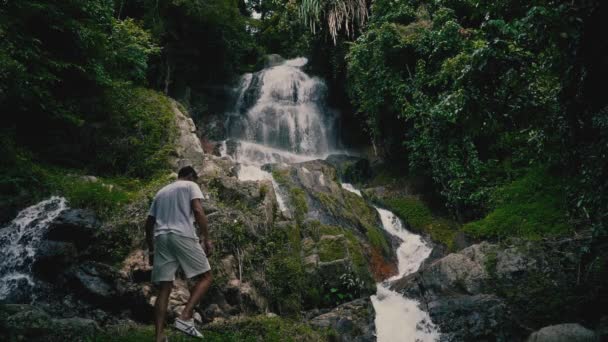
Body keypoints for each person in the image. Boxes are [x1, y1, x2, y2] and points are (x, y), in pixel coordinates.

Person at [144, 166, 213, 341]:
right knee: (206, 277)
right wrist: (206, 238)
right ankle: (184, 317)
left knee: (164, 287)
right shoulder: (189, 185)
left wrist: (151, 248)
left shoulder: (161, 192)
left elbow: (148, 223)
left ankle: (159, 337)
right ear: (190, 176)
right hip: (182, 234)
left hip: (161, 238)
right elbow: (198, 210)